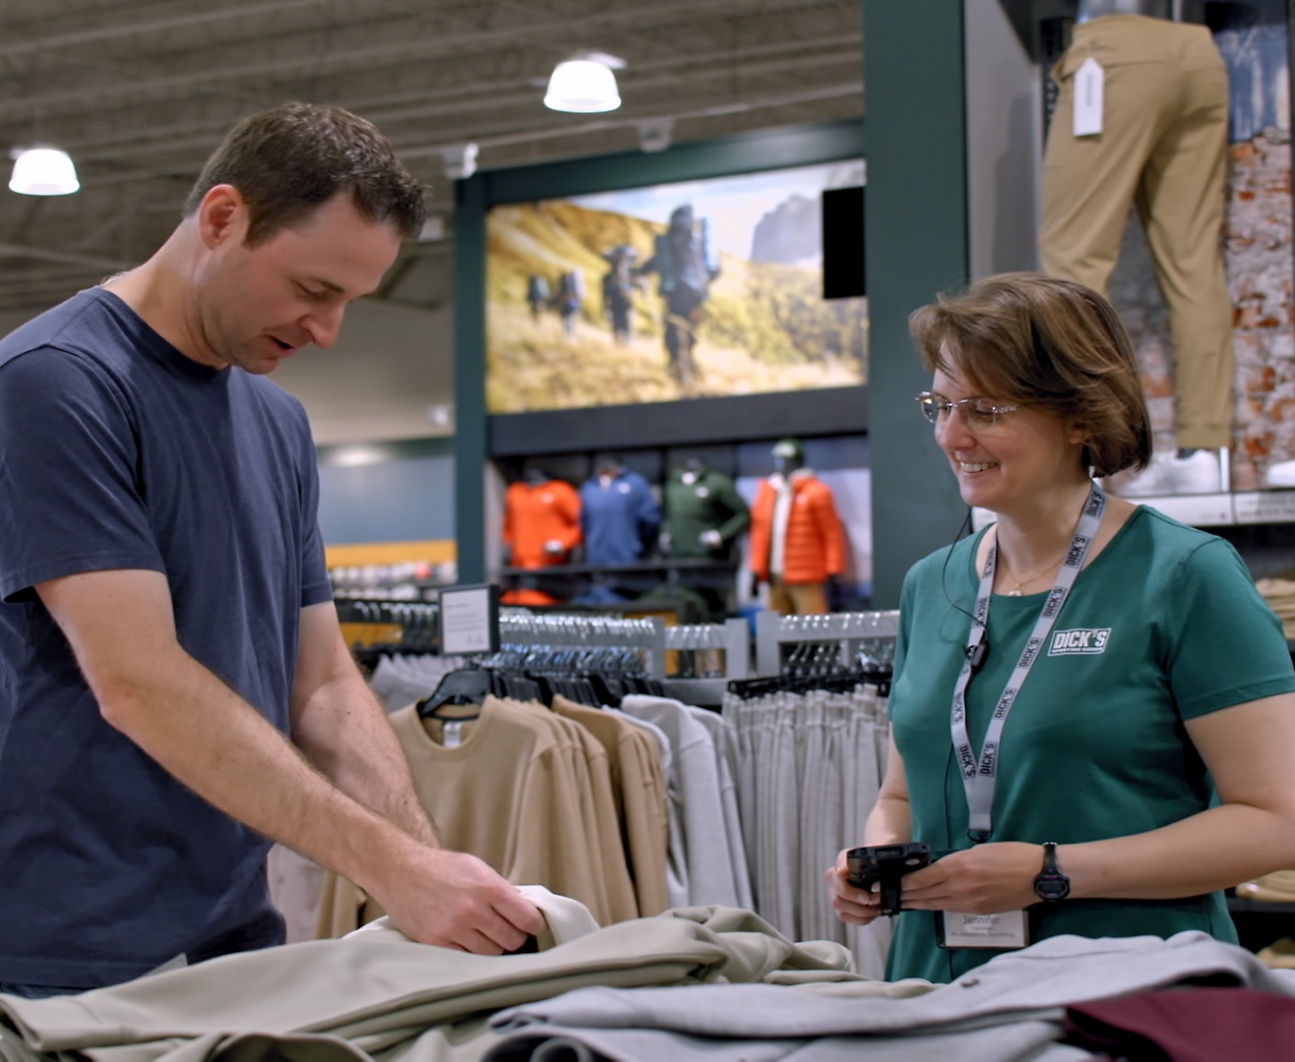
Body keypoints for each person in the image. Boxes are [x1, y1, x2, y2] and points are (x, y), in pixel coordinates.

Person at [0, 102, 544, 998]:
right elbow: (137, 681)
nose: (325, 331)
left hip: (232, 934)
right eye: (314, 290)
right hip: (64, 952)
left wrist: (418, 863)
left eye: (348, 303)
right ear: (222, 219)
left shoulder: (277, 420)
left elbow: (322, 684)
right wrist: (393, 869)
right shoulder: (58, 381)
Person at [826, 273, 1295, 983]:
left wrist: (1051, 873)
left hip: (1131, 990)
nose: (951, 435)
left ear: (1081, 416)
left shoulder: (1185, 574)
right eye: (941, 406)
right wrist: (878, 860)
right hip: (937, 986)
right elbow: (903, 793)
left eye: (983, 409)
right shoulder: (932, 584)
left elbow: (1275, 819)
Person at [636, 204, 720, 390]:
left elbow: (655, 262)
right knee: (689, 335)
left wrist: (640, 271)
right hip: (697, 297)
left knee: (675, 333)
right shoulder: (697, 240)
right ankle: (688, 374)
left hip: (674, 295)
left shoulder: (667, 242)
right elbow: (715, 270)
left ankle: (682, 376)